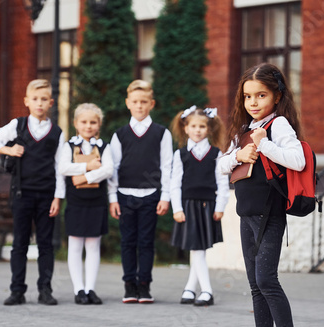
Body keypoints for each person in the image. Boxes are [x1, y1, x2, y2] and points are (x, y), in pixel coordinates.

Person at [218, 63, 305, 327]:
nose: (253, 102)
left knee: (267, 280)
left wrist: (263, 143)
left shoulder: (278, 125)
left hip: (270, 215)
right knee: (255, 285)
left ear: (277, 96)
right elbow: (219, 166)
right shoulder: (243, 129)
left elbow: (297, 160)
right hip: (246, 215)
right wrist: (238, 155)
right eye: (247, 96)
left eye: (261, 95)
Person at [0, 79, 65, 306]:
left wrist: (58, 197)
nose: (39, 103)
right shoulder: (18, 125)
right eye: (35, 99)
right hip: (22, 194)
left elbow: (60, 168)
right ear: (27, 101)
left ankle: (45, 290)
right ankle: (17, 290)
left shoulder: (57, 133)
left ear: (50, 102)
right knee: (19, 243)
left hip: (47, 195)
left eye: (44, 99)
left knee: (45, 244)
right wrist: (9, 149)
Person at [108, 80, 173, 304]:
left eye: (144, 102)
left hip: (150, 196)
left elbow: (167, 166)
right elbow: (113, 168)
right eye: (135, 102)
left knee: (146, 242)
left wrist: (165, 196)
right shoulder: (120, 134)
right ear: (128, 103)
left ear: (151, 104)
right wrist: (112, 198)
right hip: (125, 196)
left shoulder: (161, 133)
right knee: (127, 242)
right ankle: (129, 285)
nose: (139, 106)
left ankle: (144, 285)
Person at [169, 106, 229, 306]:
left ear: (209, 129)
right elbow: (174, 184)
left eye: (202, 126)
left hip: (208, 206)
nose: (197, 130)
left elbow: (222, 183)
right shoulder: (181, 154)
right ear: (186, 128)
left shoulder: (216, 154)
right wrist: (177, 208)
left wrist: (220, 206)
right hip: (187, 206)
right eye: (193, 126)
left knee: (198, 250)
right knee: (197, 249)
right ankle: (197, 289)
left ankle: (203, 291)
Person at [58, 103, 113, 305]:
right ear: (75, 124)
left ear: (99, 125)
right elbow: (64, 168)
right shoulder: (68, 146)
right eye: (84, 122)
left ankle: (90, 288)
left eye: (93, 122)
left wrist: (82, 177)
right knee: (75, 245)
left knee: (93, 245)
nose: (88, 126)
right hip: (76, 201)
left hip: (96, 201)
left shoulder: (104, 147)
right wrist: (88, 166)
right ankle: (78, 289)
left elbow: (108, 170)